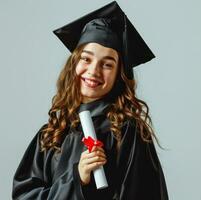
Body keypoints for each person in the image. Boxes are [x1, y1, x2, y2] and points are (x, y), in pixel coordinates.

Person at [12, 1, 169, 199]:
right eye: (86, 59)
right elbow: (24, 195)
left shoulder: (126, 131)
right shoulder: (51, 133)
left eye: (107, 64)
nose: (93, 71)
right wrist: (76, 178)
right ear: (74, 64)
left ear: (119, 75)